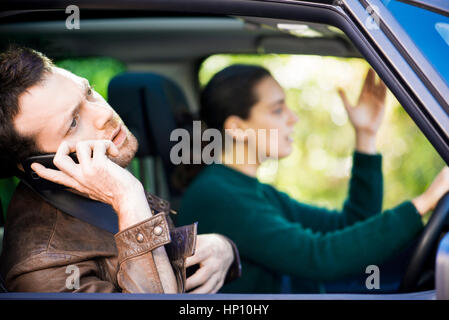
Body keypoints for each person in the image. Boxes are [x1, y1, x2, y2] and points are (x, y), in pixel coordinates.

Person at [177, 64, 449, 293]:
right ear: (237, 128)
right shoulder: (217, 195)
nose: (293, 118)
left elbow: (350, 224)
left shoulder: (251, 190)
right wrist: (423, 203)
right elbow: (318, 257)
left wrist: (365, 135)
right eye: (277, 110)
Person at [0, 47, 240, 293]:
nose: (104, 113)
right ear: (38, 164)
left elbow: (164, 263)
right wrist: (128, 198)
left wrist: (224, 248)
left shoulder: (96, 182)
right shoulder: (41, 269)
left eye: (89, 93)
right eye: (73, 122)